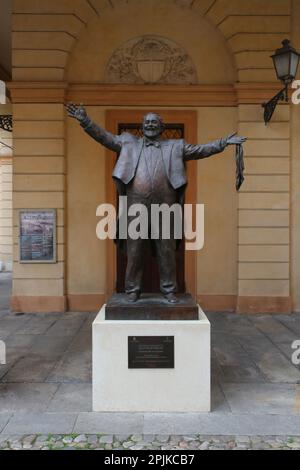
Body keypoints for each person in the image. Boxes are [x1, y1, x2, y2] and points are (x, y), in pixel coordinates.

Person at [66, 104, 246, 303]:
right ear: (142, 127)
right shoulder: (128, 142)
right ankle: (132, 290)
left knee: (166, 250)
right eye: (147, 122)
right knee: (135, 250)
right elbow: (104, 137)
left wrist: (223, 143)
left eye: (154, 122)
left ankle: (169, 290)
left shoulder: (176, 146)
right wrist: (85, 121)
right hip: (136, 206)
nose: (150, 125)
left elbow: (200, 150)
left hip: (166, 207)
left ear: (161, 127)